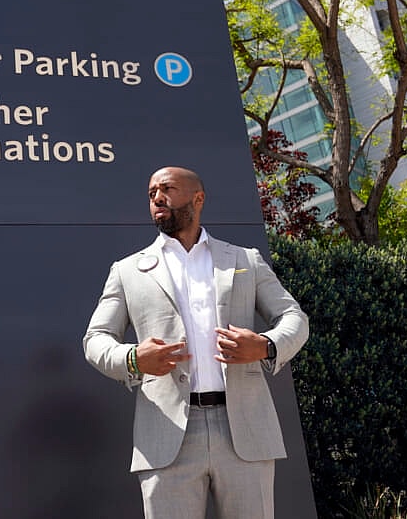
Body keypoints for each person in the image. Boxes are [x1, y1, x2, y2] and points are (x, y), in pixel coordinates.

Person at [83, 166, 309, 519]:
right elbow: (96, 339)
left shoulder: (244, 260)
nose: (157, 198)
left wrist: (266, 345)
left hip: (245, 430)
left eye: (167, 189)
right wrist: (133, 359)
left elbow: (295, 318)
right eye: (151, 193)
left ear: (197, 198)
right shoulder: (127, 271)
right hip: (166, 436)